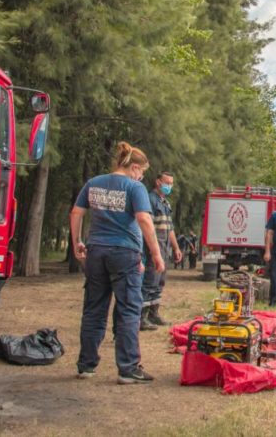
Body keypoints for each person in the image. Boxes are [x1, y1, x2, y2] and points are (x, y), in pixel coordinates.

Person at [70, 142, 163, 384]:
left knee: (93, 309)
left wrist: (77, 241)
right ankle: (128, 368)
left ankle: (86, 365)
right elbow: (143, 218)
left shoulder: (94, 183)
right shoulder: (134, 187)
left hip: (96, 251)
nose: (141, 177)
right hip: (124, 253)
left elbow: (76, 213)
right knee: (129, 310)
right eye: (141, 172)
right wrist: (155, 253)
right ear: (134, 167)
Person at [140, 173, 181, 330]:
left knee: (159, 282)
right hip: (152, 249)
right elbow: (145, 224)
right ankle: (141, 318)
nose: (169, 186)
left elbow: (169, 228)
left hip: (165, 249)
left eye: (171, 183)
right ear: (158, 182)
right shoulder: (150, 200)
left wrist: (176, 248)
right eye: (167, 182)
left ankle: (153, 314)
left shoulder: (165, 203)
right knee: (149, 281)